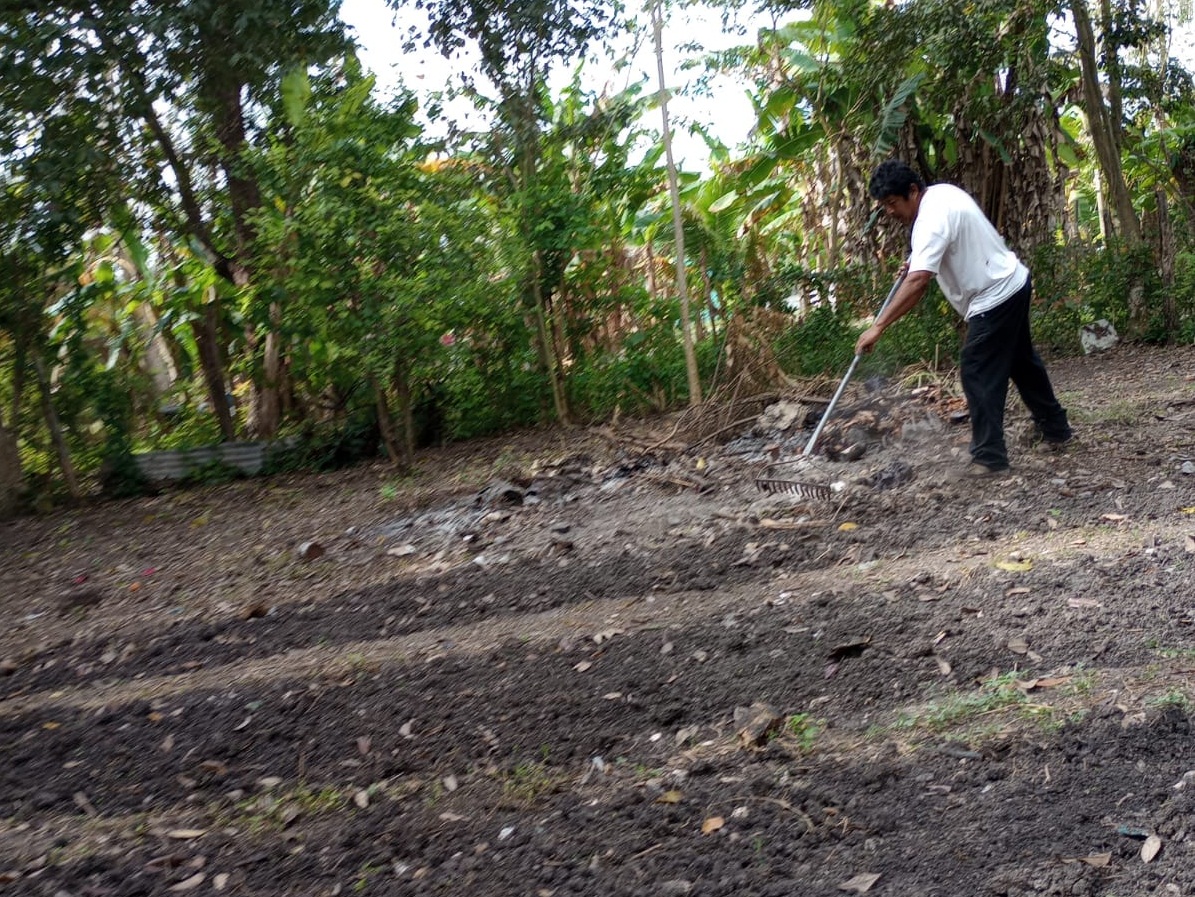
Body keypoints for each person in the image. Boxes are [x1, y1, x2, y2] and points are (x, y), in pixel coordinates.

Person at [855, 159, 1073, 477]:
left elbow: (917, 282)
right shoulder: (941, 195)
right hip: (1013, 281)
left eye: (892, 203)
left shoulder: (931, 219)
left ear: (912, 191)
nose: (889, 212)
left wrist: (878, 326)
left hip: (995, 295)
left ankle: (990, 457)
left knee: (977, 368)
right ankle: (1056, 430)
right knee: (1021, 362)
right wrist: (916, 257)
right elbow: (941, 246)